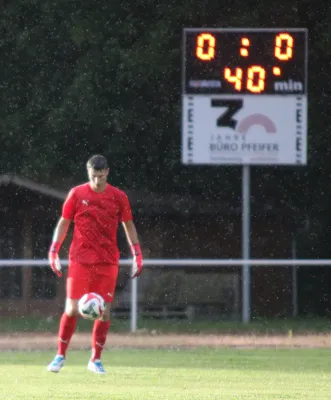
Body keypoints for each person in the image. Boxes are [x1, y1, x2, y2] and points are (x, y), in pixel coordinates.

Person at [46, 154, 143, 374]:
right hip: (80, 259)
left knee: (104, 313)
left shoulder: (118, 197)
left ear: (107, 172)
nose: (97, 181)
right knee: (71, 309)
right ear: (88, 173)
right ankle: (60, 356)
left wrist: (137, 254)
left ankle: (95, 360)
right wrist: (53, 250)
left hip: (108, 261)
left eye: (101, 176)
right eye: (93, 176)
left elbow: (129, 225)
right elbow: (64, 222)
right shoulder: (77, 194)